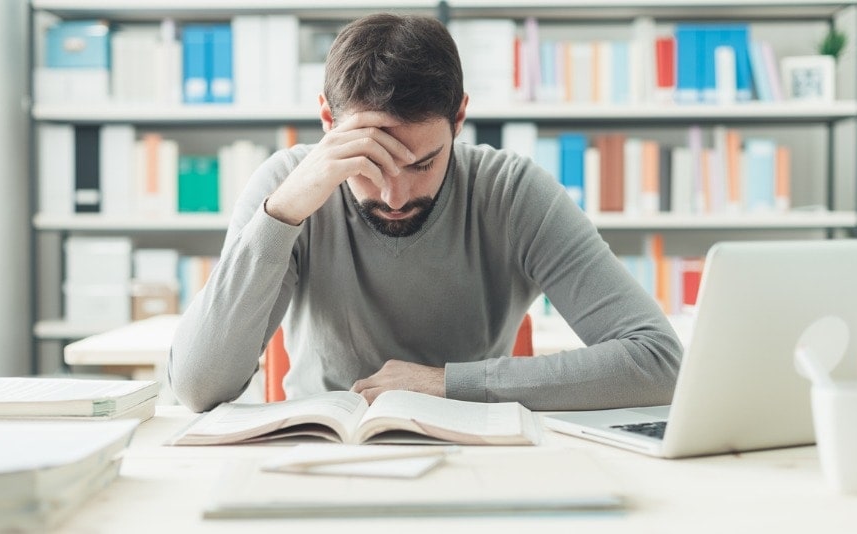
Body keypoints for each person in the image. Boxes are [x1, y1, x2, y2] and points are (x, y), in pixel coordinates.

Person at [169, 13, 682, 413]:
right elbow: (196, 387)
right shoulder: (285, 187)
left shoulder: (513, 191)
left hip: (478, 449)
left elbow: (660, 362)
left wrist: (445, 384)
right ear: (328, 119)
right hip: (323, 451)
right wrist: (281, 217)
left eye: (421, 163)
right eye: (367, 163)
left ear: (459, 117)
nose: (394, 195)